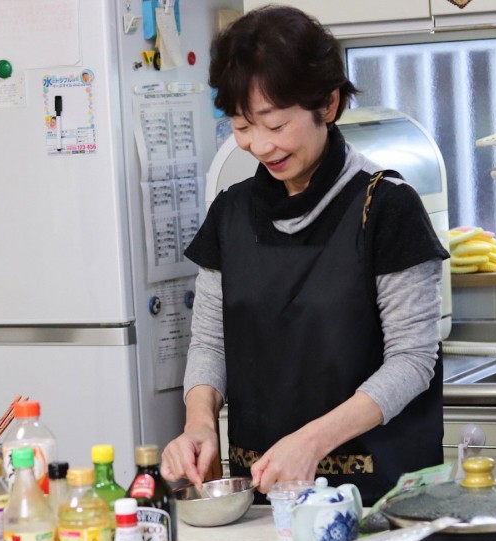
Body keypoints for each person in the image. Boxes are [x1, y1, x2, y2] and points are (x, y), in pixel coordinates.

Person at [159, 6, 449, 507]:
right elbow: (209, 343)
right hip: (264, 501)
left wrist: (312, 442)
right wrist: (200, 422)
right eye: (242, 126)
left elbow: (413, 359)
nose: (260, 145)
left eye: (275, 123)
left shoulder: (386, 206)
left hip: (378, 501)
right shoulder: (230, 215)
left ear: (328, 104)